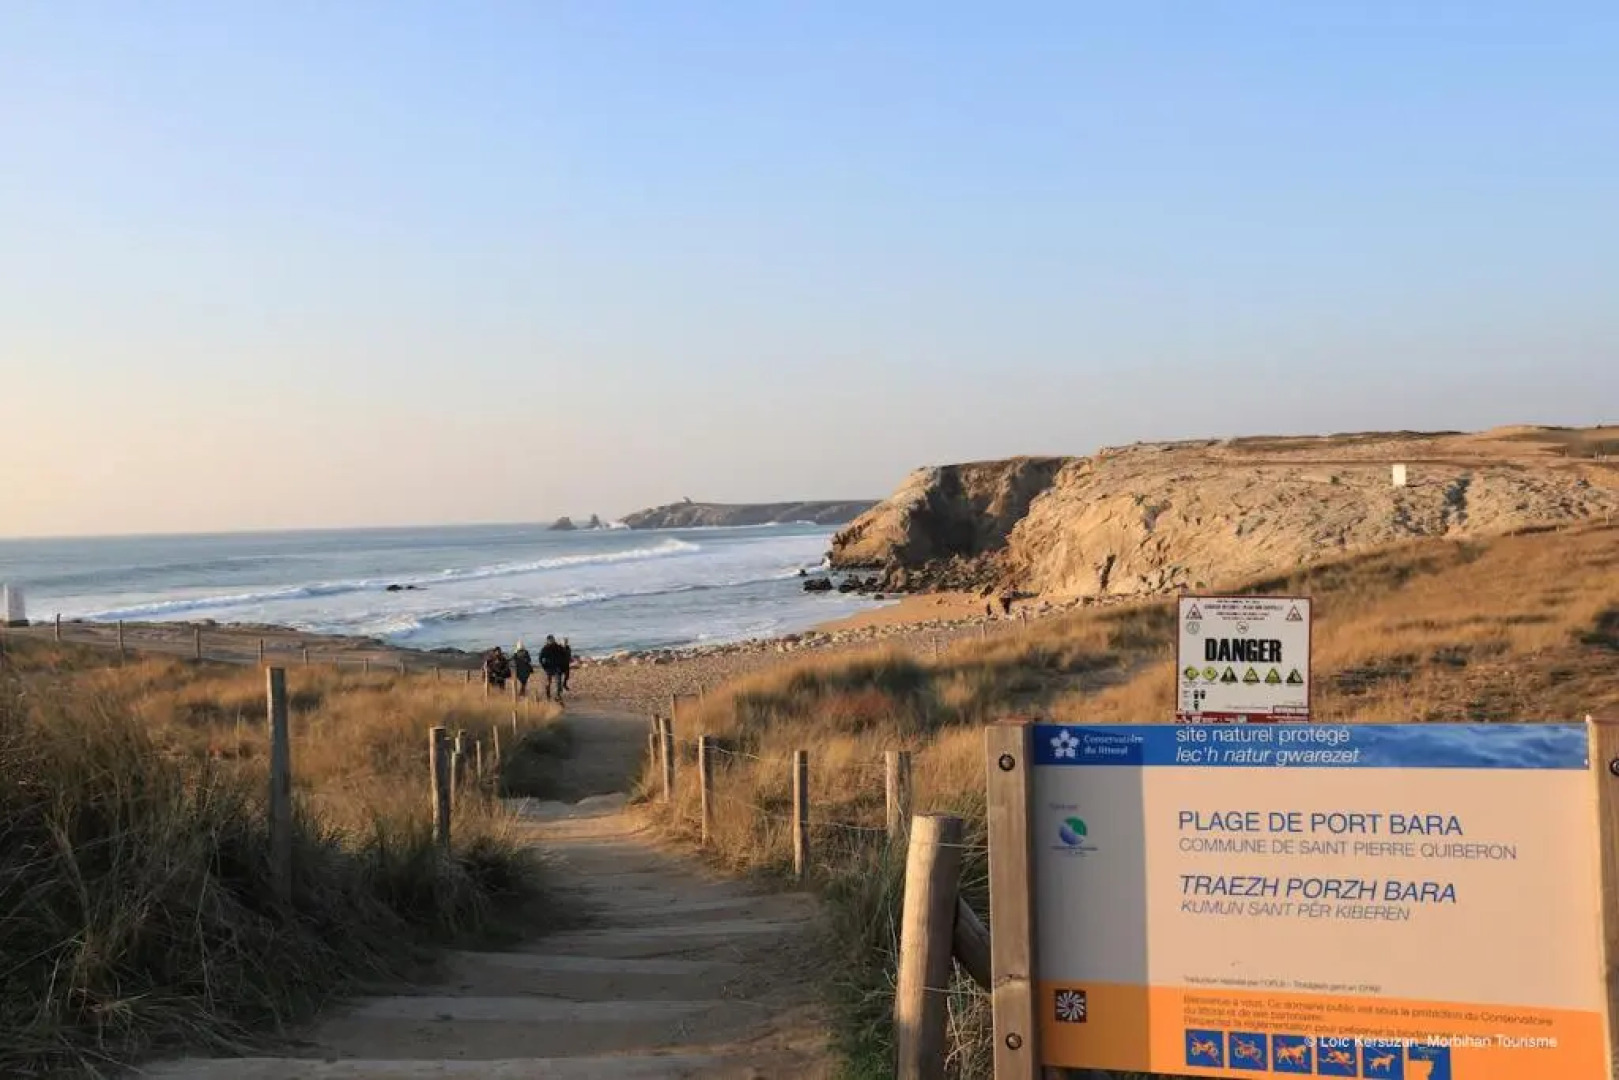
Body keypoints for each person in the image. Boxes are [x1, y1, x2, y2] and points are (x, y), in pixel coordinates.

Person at [538, 634, 567, 700]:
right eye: (550, 640)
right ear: (548, 641)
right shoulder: (545, 648)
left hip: (556, 667)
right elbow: (540, 658)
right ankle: (548, 694)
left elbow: (564, 655)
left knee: (558, 682)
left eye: (552, 640)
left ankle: (557, 695)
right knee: (549, 682)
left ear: (553, 640)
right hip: (549, 668)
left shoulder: (557, 647)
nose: (551, 641)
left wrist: (562, 664)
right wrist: (543, 666)